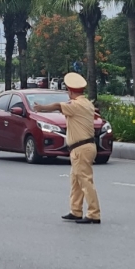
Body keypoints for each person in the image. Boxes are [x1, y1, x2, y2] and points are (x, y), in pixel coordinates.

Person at [33, 72, 101, 224]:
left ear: (70, 91)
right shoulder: (87, 103)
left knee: (85, 181)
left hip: (81, 148)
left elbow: (58, 106)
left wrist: (41, 108)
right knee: (76, 181)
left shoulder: (75, 105)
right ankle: (76, 210)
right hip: (84, 147)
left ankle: (93, 214)